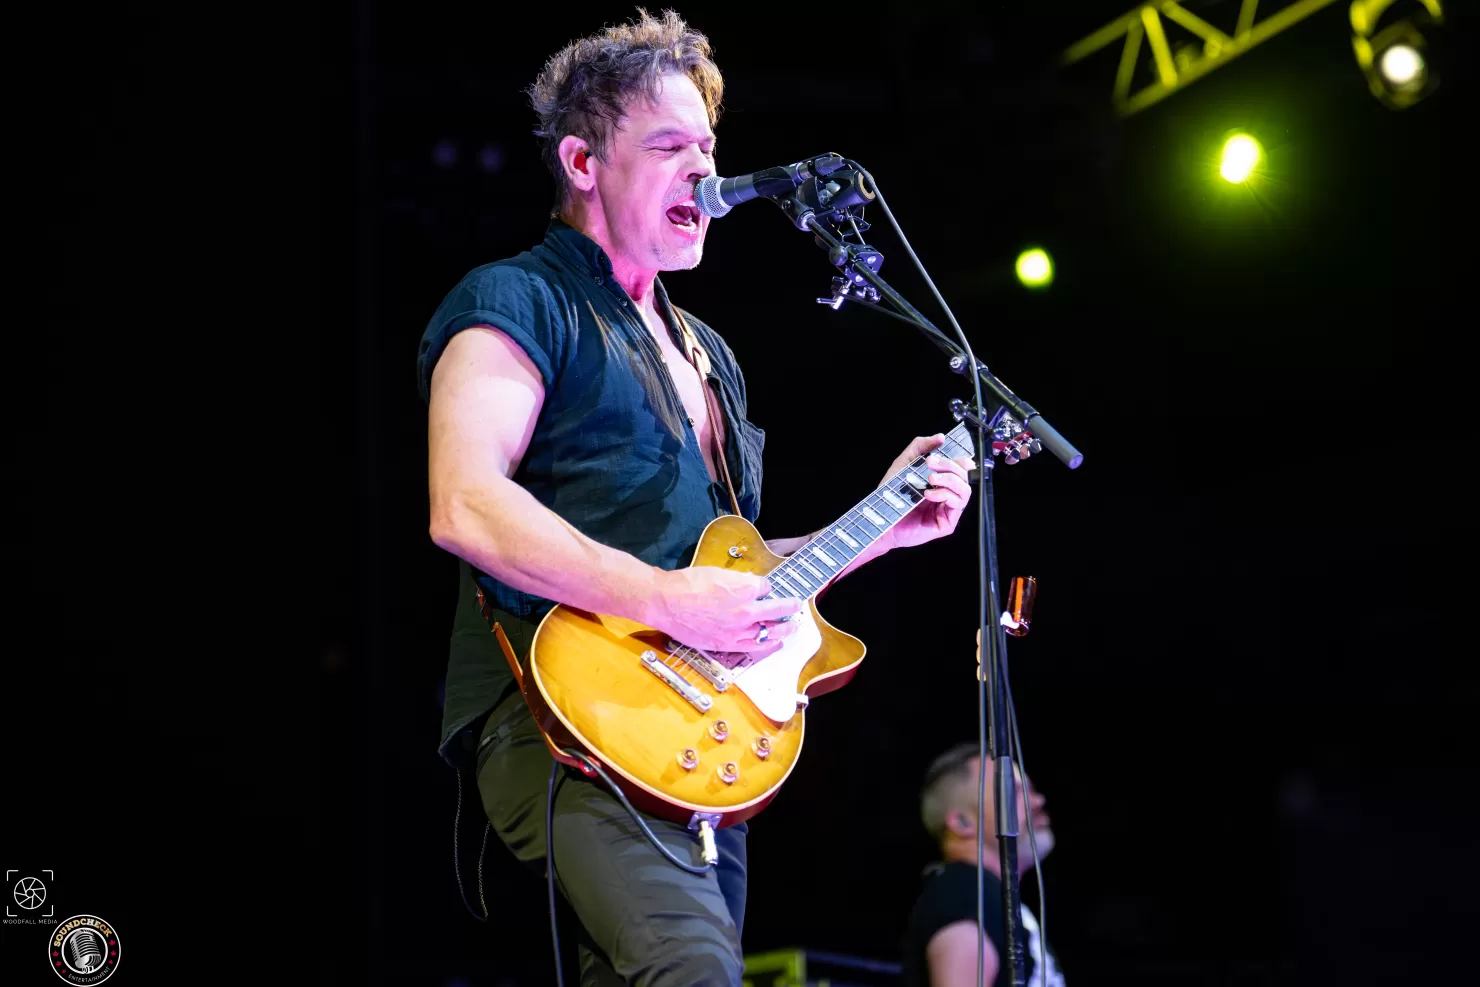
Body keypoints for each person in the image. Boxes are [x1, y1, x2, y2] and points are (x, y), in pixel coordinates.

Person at [416, 10, 977, 986]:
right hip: (563, 716)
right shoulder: (516, 298)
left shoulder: (710, 354)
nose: (704, 172)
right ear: (584, 162)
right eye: (669, 147)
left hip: (688, 741)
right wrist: (667, 601)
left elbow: (732, 576)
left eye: (708, 149)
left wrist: (884, 525)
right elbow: (464, 504)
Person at [904, 741, 1067, 987]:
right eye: (1014, 792)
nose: (1038, 801)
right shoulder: (963, 896)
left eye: (1031, 790)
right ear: (962, 822)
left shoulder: (984, 896)